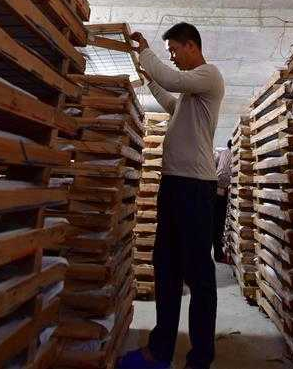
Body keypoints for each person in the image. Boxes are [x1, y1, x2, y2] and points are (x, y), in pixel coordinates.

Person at [119, 22, 225, 369]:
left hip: (196, 188)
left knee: (199, 275)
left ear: (191, 45)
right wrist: (148, 76)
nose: (173, 57)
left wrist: (147, 52)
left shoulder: (209, 75)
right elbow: (170, 100)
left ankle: (200, 358)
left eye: (174, 50)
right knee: (165, 268)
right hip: (175, 186)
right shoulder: (190, 98)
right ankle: (160, 351)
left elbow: (172, 80)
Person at [213, 141, 232, 263]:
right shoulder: (232, 154)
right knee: (218, 223)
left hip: (214, 189)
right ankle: (218, 255)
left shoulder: (222, 153)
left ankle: (217, 253)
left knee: (214, 223)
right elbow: (227, 174)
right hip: (220, 191)